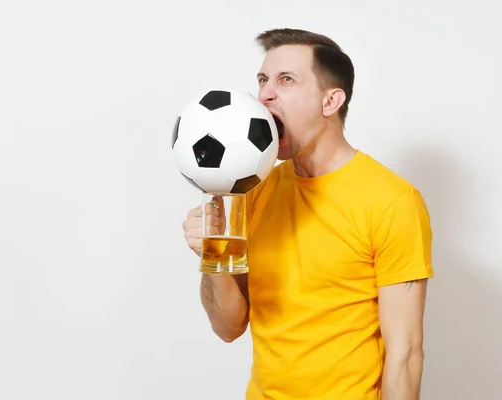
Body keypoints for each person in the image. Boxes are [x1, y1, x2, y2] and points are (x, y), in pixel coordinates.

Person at [182, 28, 433, 400]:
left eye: (286, 80)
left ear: (330, 101)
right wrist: (212, 253)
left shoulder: (392, 200)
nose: (265, 93)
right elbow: (229, 326)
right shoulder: (254, 188)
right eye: (263, 80)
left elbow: (405, 356)